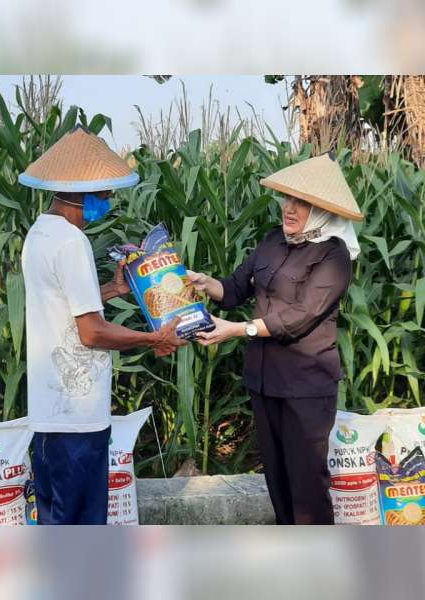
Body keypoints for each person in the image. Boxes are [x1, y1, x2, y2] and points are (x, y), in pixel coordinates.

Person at [18, 126, 186, 525]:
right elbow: (91, 332)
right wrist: (153, 338)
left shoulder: (40, 233)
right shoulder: (71, 242)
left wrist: (112, 289)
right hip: (77, 416)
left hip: (50, 412)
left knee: (57, 521)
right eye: (105, 192)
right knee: (82, 524)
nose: (109, 199)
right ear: (81, 192)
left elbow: (63, 306)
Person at [187, 151, 363, 525]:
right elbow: (233, 289)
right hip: (265, 383)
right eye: (287, 198)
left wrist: (237, 330)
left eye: (302, 202)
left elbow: (300, 317)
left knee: (307, 487)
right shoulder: (271, 242)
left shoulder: (333, 256)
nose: (289, 208)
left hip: (305, 387)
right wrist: (204, 282)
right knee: (278, 481)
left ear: (322, 211)